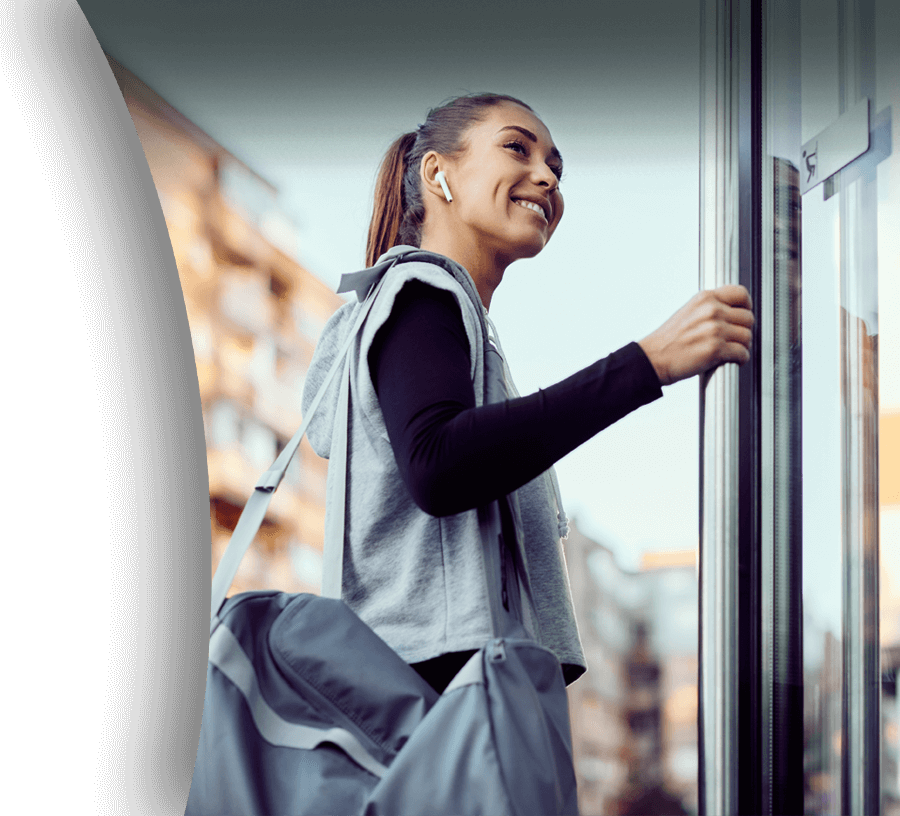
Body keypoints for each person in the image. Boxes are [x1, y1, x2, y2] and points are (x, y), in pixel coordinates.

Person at [302, 93, 754, 694]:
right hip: (440, 699)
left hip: (450, 690)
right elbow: (439, 465)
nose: (546, 176)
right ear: (439, 174)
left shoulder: (453, 322)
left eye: (556, 168)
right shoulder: (420, 291)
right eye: (517, 147)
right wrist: (648, 363)